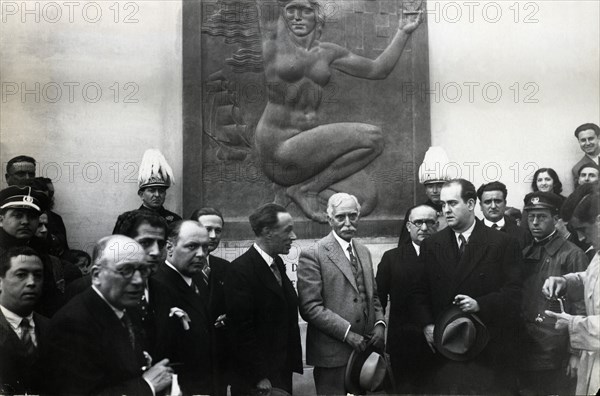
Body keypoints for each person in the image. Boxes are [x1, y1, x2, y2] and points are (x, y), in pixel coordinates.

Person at [253, 0, 423, 222]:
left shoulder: (328, 52)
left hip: (307, 153)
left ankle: (297, 189)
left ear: (317, 17)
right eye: (291, 10)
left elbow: (377, 69)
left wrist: (403, 32)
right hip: (278, 147)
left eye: (305, 11)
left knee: (365, 202)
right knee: (373, 138)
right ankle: (307, 190)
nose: (297, 16)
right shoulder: (273, 41)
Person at [414, 179, 523, 394]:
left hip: (488, 348)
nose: (446, 210)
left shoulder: (502, 243)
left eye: (452, 203)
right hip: (447, 346)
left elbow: (515, 293)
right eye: (443, 205)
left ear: (471, 204)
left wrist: (479, 304)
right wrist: (427, 325)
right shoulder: (431, 244)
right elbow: (418, 291)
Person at [43, 235, 173, 395]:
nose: (139, 280)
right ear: (97, 275)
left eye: (143, 270)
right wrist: (147, 386)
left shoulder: (124, 307)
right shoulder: (72, 324)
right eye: (126, 270)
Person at [297, 193, 385, 395]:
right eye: (340, 217)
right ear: (330, 220)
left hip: (366, 356)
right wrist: (347, 334)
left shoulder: (363, 251)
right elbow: (310, 307)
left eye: (352, 216)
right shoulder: (314, 253)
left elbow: (374, 296)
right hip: (332, 357)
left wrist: (380, 324)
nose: (348, 223)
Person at [227, 204, 302, 395]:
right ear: (268, 232)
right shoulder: (240, 270)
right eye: (288, 230)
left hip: (279, 371)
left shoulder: (277, 263)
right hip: (258, 381)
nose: (294, 236)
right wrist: (258, 375)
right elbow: (241, 331)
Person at [518, 191, 588, 395]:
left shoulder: (572, 254)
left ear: (556, 219)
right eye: (531, 216)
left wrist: (575, 353)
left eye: (542, 216)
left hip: (556, 353)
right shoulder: (524, 252)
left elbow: (582, 307)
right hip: (527, 347)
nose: (535, 222)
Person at [542, 188, 600, 395]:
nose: (582, 238)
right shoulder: (599, 253)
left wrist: (573, 323)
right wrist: (566, 281)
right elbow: (592, 278)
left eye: (584, 230)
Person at [376, 204, 438, 393]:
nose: (424, 228)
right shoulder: (391, 258)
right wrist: (379, 327)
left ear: (438, 225)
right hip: (403, 344)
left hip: (439, 342)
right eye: (418, 222)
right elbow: (378, 299)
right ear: (408, 226)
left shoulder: (449, 256)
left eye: (430, 222)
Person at [152, 220, 215, 395]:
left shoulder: (198, 280)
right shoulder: (157, 287)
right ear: (169, 247)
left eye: (205, 247)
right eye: (192, 246)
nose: (201, 254)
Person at [0, 186, 60, 316]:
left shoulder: (41, 254)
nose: (25, 222)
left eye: (32, 216)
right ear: (1, 219)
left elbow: (50, 303)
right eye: (18, 215)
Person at [190, 207, 231, 395]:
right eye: (207, 229)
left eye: (218, 230)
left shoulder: (224, 268)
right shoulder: (180, 268)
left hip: (219, 364)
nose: (213, 236)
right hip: (191, 364)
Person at [0, 246, 48, 394]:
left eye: (38, 275)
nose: (32, 282)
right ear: (0, 281)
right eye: (21, 275)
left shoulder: (52, 327)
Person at [113, 149, 182, 233]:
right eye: (151, 190)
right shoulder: (128, 221)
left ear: (165, 193)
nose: (157, 195)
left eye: (161, 191)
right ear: (141, 194)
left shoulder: (175, 220)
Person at [476, 181, 532, 250]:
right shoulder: (472, 234)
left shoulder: (522, 235)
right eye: (488, 202)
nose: (493, 206)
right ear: (481, 206)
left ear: (505, 203)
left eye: (498, 201)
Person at [418, 146, 451, 231]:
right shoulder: (417, 212)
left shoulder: (455, 211)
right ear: (425, 189)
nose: (435, 191)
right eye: (430, 186)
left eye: (440, 186)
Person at [571, 123, 600, 187]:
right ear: (579, 141)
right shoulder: (577, 169)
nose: (587, 143)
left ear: (598, 138)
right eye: (583, 140)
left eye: (591, 138)